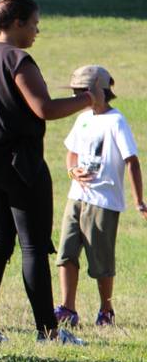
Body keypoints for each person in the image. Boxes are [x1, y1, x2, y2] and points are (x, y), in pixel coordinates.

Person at [0, 0, 103, 344]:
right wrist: (89, 99)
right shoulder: (17, 59)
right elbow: (44, 108)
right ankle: (49, 332)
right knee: (34, 246)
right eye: (34, 24)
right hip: (19, 167)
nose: (37, 31)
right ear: (17, 23)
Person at [54, 65, 145, 328]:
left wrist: (139, 200)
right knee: (66, 252)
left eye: (82, 91)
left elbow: (132, 161)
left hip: (103, 201)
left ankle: (106, 310)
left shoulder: (116, 121)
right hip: (77, 197)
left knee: (101, 259)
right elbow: (71, 152)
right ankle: (67, 308)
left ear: (98, 91)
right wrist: (72, 171)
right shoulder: (82, 118)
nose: (77, 97)